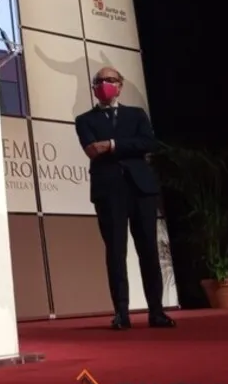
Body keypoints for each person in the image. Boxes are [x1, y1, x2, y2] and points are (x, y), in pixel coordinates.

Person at [74, 67, 176, 331]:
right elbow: (91, 150)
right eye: (98, 81)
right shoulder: (84, 119)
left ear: (119, 86)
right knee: (116, 253)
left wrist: (111, 145)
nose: (103, 85)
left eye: (109, 80)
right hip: (108, 192)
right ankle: (121, 313)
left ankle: (157, 312)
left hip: (141, 189)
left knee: (149, 251)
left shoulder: (136, 114)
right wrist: (124, 145)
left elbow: (149, 144)